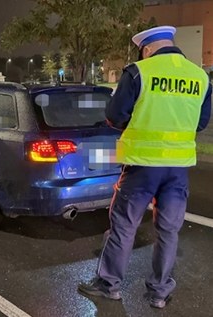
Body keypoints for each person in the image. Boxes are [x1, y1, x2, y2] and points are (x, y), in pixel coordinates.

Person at [78, 26, 212, 309]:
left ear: (147, 48)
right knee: (168, 231)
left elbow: (114, 115)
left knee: (123, 226)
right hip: (177, 168)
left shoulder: (139, 71)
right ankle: (160, 292)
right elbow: (200, 123)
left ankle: (109, 284)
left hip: (141, 166)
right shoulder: (200, 77)